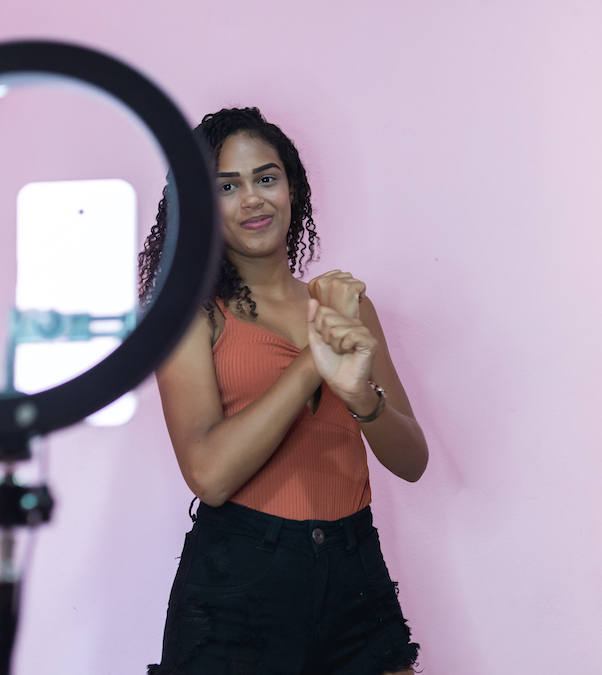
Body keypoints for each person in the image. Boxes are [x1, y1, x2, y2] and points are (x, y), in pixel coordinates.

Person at [141, 107, 428, 675]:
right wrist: (311, 365)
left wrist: (363, 400)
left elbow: (412, 460)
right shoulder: (191, 316)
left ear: (291, 188)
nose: (252, 199)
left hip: (355, 569)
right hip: (240, 580)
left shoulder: (349, 307)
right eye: (228, 186)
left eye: (266, 178)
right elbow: (209, 474)